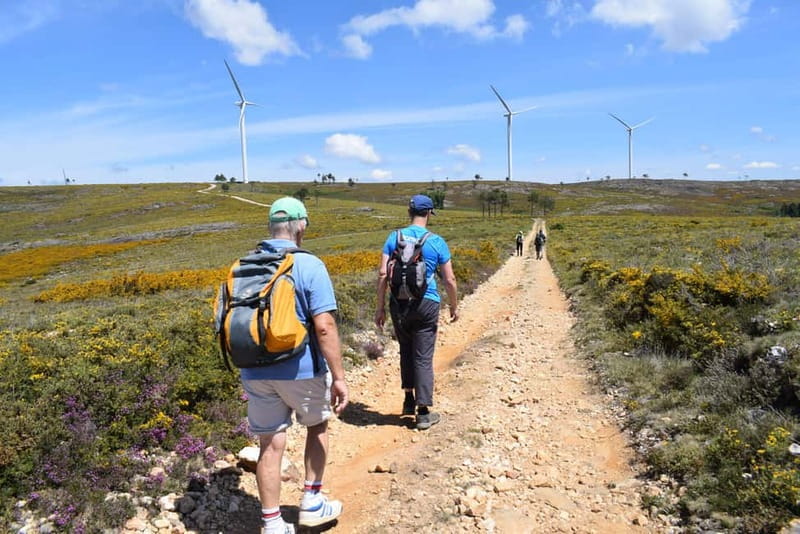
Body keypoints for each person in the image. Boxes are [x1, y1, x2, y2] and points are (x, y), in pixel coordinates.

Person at [239, 197, 349, 534]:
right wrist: (340, 377)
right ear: (300, 226)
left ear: (271, 227)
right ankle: (312, 503)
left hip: (254, 370)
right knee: (316, 427)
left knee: (269, 444)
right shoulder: (309, 264)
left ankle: (272, 523)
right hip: (300, 369)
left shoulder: (243, 265)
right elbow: (325, 326)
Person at [374, 194, 459, 430]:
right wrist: (453, 305)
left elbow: (383, 274)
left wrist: (380, 307)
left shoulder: (394, 237)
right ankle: (423, 413)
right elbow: (449, 279)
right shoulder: (437, 241)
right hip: (427, 302)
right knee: (422, 356)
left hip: (398, 303)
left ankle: (408, 399)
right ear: (429, 213)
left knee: (406, 349)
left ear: (409, 212)